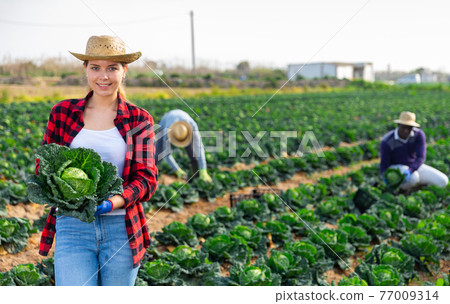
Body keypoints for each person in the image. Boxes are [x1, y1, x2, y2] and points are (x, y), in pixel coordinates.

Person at [36, 35, 158, 286]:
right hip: (73, 225)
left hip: (121, 228)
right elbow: (43, 167)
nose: (103, 76)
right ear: (86, 70)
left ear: (124, 72)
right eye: (96, 68)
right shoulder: (62, 113)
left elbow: (147, 178)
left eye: (112, 68)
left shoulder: (139, 119)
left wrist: (113, 202)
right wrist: (70, 194)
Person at [379, 111, 448, 190]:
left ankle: (418, 188)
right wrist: (385, 177)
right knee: (414, 178)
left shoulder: (418, 135)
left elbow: (420, 158)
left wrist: (410, 170)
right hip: (396, 168)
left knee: (442, 181)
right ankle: (402, 191)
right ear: (398, 125)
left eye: (409, 127)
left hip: (414, 166)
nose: (406, 130)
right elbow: (384, 164)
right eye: (404, 127)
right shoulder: (387, 141)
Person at [155, 109, 212, 183]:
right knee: (159, 153)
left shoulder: (192, 125)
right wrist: (177, 170)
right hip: (165, 122)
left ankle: (196, 177)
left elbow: (199, 147)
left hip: (183, 118)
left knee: (193, 153)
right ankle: (150, 174)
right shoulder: (166, 130)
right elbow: (166, 153)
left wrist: (203, 169)